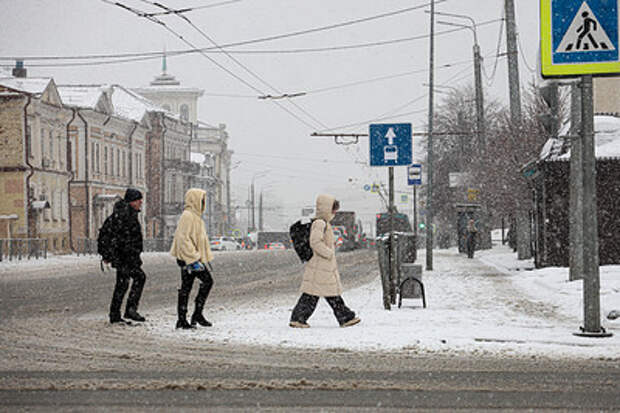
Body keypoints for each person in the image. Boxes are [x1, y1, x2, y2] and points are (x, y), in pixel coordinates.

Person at [289, 194, 360, 328]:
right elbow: (315, 242)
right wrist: (328, 253)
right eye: (333, 209)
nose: (334, 212)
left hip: (322, 265)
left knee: (315, 293)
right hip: (320, 263)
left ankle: (299, 317)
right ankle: (344, 317)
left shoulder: (323, 223)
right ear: (326, 209)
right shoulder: (319, 223)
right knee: (324, 293)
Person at [170, 188, 215, 330]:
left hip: (194, 259)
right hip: (189, 259)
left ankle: (187, 317)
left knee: (188, 287)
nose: (203, 203)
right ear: (194, 200)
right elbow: (183, 239)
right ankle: (191, 316)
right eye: (201, 200)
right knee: (205, 282)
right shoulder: (187, 216)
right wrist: (194, 258)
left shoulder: (196, 217)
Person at [108, 188, 147, 324]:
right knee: (138, 278)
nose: (141, 202)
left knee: (123, 283)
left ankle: (116, 313)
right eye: (138, 199)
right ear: (131, 201)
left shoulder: (126, 213)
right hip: (125, 257)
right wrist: (127, 252)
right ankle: (129, 310)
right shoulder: (125, 215)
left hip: (126, 256)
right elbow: (121, 237)